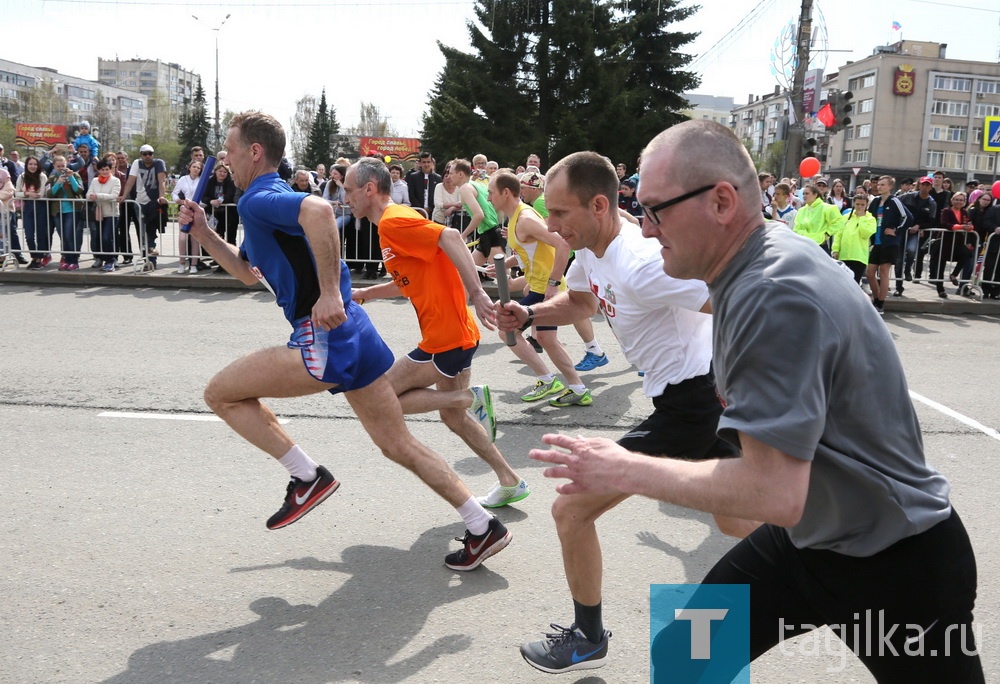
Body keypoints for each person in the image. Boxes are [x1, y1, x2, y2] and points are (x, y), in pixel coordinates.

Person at [531, 120, 982, 683]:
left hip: (897, 564)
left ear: (721, 201)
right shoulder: (750, 267)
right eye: (637, 211)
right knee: (683, 655)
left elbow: (774, 490)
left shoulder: (770, 293)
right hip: (804, 544)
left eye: (655, 212)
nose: (644, 231)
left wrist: (624, 466)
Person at [175, 111, 511, 571]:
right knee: (397, 445)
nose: (225, 159)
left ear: (255, 152)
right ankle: (482, 525)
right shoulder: (258, 203)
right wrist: (205, 233)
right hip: (356, 332)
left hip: (324, 334)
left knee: (221, 393)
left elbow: (317, 212)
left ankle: (306, 476)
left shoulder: (259, 199)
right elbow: (246, 273)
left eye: (230, 149)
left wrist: (330, 291)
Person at [497, 152, 749, 675]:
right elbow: (583, 304)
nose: (552, 224)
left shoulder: (640, 264)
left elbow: (736, 297)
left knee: (571, 508)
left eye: (561, 213)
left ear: (598, 205)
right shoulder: (592, 249)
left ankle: (587, 638)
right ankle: (842, 547)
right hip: (691, 399)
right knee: (737, 518)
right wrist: (530, 312)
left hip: (695, 402)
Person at [347, 158, 530, 509]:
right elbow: (408, 282)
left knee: (378, 397)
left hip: (445, 338)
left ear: (369, 189)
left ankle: (467, 398)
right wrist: (367, 293)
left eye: (349, 189)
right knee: (452, 419)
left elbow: (448, 236)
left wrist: (477, 293)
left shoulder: (394, 220)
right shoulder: (392, 224)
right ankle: (510, 480)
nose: (346, 197)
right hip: (452, 335)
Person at [487, 170, 592, 407]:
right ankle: (577, 388)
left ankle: (548, 380)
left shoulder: (524, 219)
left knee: (508, 331)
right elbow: (531, 251)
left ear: (506, 192)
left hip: (545, 288)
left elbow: (563, 245)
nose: (489, 198)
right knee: (546, 338)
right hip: (538, 286)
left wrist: (553, 284)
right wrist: (507, 265)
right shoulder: (516, 217)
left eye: (491, 193)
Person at [119, 144, 168, 270]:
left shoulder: (159, 163)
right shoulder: (136, 163)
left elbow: (161, 180)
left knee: (151, 227)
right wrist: (124, 195)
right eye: (144, 154)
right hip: (139, 201)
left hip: (154, 200)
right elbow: (130, 180)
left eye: (150, 153)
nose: (147, 156)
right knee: (142, 231)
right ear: (140, 155)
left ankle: (151, 257)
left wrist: (162, 196)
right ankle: (148, 258)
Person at [866, 176, 908, 314]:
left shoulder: (895, 201)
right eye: (878, 184)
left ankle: (880, 304)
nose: (879, 187)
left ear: (890, 186)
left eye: (883, 184)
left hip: (889, 243)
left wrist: (896, 230)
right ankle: (876, 298)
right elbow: (868, 217)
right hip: (876, 242)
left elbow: (907, 217)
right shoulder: (875, 202)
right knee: (870, 272)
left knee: (884, 272)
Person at [46, 155, 85, 270]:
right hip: (57, 211)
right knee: (63, 236)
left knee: (69, 235)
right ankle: (66, 260)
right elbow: (49, 194)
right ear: (54, 166)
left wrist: (71, 177)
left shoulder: (75, 175)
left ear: (66, 164)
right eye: (58, 166)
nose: (61, 168)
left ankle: (74, 261)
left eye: (63, 166)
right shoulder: (52, 178)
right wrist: (58, 183)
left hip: (72, 210)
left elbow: (79, 189)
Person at [831, 194, 876, 283]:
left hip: (858, 256)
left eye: (862, 205)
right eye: (857, 204)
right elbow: (838, 234)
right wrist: (835, 249)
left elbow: (865, 234)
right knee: (842, 282)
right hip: (844, 255)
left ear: (866, 205)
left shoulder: (870, 219)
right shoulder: (845, 217)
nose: (860, 207)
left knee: (855, 282)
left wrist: (862, 218)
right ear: (853, 204)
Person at [15, 156, 49, 270]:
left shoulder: (42, 176)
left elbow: (41, 193)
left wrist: (34, 194)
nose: (33, 166)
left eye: (35, 164)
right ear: (26, 165)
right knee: (29, 235)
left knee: (41, 234)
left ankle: (39, 258)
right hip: (28, 207)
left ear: (38, 165)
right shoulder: (22, 176)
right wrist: (28, 194)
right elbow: (17, 192)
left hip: (41, 207)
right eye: (30, 164)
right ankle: (34, 256)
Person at [172, 160, 205, 273]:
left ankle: (193, 265)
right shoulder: (183, 179)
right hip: (185, 210)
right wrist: (177, 200)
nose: (196, 169)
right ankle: (181, 263)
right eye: (194, 166)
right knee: (182, 238)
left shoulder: (202, 180)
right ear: (189, 168)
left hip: (197, 210)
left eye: (198, 168)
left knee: (195, 238)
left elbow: (205, 196)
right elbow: (174, 193)